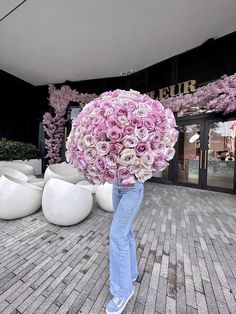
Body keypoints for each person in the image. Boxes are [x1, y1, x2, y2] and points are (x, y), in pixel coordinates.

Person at [106, 178, 144, 314]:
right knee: (126, 232)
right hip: (117, 186)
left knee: (117, 235)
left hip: (133, 188)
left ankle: (123, 291)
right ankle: (131, 273)